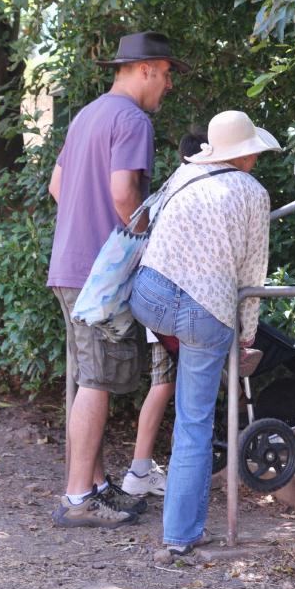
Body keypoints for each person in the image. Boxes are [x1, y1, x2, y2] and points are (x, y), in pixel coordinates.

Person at [47, 30, 189, 528]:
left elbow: (58, 186)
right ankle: (77, 498)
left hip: (71, 265)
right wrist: (142, 241)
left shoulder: (87, 114)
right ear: (146, 68)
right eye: (168, 73)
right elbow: (125, 192)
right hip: (101, 275)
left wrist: (86, 228)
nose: (168, 84)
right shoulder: (132, 119)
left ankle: (98, 486)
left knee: (92, 377)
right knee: (99, 380)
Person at [129, 109, 279, 563]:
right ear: (247, 153)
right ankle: (178, 536)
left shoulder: (184, 174)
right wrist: (246, 339)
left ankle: (181, 528)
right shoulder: (253, 193)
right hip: (204, 314)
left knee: (184, 363)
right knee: (193, 422)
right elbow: (253, 276)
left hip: (150, 298)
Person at [120, 127, 206, 499]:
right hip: (179, 301)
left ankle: (143, 467)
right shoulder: (195, 191)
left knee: (165, 384)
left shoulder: (167, 190)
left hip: (157, 300)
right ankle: (144, 468)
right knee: (170, 385)